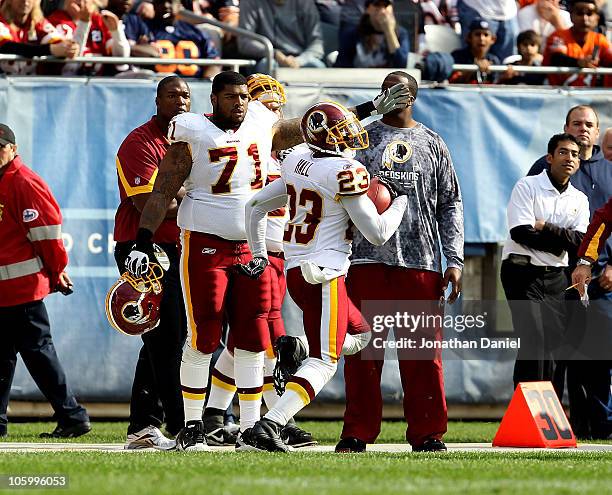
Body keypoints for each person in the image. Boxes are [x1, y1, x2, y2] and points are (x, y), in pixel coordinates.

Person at [123, 70, 411, 451]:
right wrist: (142, 241)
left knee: (253, 338)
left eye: (244, 96)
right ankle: (192, 426)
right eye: (231, 97)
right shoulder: (191, 133)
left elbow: (311, 128)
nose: (240, 102)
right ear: (213, 100)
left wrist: (369, 109)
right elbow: (161, 192)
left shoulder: (261, 121)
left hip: (251, 246)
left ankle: (250, 428)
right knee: (204, 334)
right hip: (205, 242)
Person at [236, 101, 408, 452]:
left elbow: (253, 206)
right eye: (340, 131)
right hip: (327, 273)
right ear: (324, 136)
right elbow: (376, 233)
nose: (348, 136)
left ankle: (297, 348)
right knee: (326, 360)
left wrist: (258, 254)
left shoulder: (297, 159)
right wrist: (400, 205)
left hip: (298, 272)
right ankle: (269, 425)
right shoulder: (344, 170)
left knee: (359, 334)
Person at [336, 71, 463, 454]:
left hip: (421, 264)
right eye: (386, 88)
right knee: (362, 355)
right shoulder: (362, 139)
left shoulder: (433, 143)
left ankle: (428, 434)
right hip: (364, 262)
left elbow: (450, 203)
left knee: (423, 356)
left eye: (401, 88)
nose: (393, 93)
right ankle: (357, 431)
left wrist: (453, 259)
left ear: (415, 96)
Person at [201, 73, 315, 448]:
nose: (269, 111)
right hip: (257, 252)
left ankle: (218, 414)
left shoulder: (292, 153)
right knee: (266, 342)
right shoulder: (239, 147)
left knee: (248, 342)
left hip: (283, 253)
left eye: (275, 105)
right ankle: (272, 421)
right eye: (261, 104)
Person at [112, 76, 190, 450]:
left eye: (186, 94)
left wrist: (183, 194)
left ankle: (145, 423)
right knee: (165, 337)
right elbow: (149, 206)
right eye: (172, 94)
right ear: (157, 99)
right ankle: (178, 423)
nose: (180, 100)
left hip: (180, 246)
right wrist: (197, 196)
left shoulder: (192, 138)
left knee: (166, 338)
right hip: (143, 248)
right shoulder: (139, 142)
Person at [0, 124, 90, 439]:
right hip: (6, 291)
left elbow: (48, 235)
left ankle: (73, 415)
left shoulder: (23, 182)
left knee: (38, 353)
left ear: (12, 148)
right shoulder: (5, 181)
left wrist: (56, 271)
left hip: (22, 290)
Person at [527, 105, 612, 439]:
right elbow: (528, 222)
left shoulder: (609, 169)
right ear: (565, 127)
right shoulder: (544, 168)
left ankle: (599, 426)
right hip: (557, 277)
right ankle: (556, 425)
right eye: (576, 124)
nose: (583, 129)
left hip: (602, 280)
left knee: (597, 356)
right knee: (556, 355)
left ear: (597, 129)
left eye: (589, 124)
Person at [501, 133, 590, 392]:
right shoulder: (527, 186)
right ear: (550, 158)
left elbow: (581, 242)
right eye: (563, 152)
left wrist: (546, 227)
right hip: (520, 271)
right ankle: (527, 408)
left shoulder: (579, 199)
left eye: (575, 154)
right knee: (534, 339)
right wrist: (560, 242)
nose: (569, 158)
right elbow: (520, 232)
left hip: (556, 277)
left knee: (551, 344)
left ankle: (544, 411)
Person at [238, 0, 326, 72]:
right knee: (267, 66)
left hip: (300, 58)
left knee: (318, 67)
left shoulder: (306, 3)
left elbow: (317, 44)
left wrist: (299, 60)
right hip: (266, 57)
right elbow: (245, 42)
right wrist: (274, 53)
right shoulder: (249, 2)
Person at [47, 0, 130, 75]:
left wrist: (116, 33)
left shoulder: (100, 20)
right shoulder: (56, 20)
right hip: (66, 84)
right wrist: (84, 23)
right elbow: (70, 63)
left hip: (97, 84)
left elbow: (121, 60)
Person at [543, 0, 611, 87]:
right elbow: (556, 58)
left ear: (597, 18)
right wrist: (578, 62)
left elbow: (610, 59)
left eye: (589, 14)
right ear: (571, 16)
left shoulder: (600, 40)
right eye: (579, 13)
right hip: (558, 94)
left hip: (590, 96)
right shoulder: (558, 35)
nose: (584, 18)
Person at [146, 0, 220, 78]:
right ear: (154, 5)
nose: (166, 5)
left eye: (170, 1)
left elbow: (213, 61)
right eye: (160, 2)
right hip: (155, 84)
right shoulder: (143, 29)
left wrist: (206, 83)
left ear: (179, 5)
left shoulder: (195, 32)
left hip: (193, 83)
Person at [0, 0, 78, 74]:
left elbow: (57, 42)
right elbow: (6, 47)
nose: (25, 0)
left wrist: (68, 47)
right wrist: (50, 49)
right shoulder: (1, 20)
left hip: (31, 84)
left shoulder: (38, 22)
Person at [335, 0, 409, 68]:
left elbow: (401, 65)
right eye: (377, 5)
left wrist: (389, 31)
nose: (382, 11)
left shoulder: (401, 33)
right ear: (367, 9)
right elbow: (341, 65)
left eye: (385, 6)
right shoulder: (353, 34)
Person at [450, 18, 500, 83]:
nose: (482, 38)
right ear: (469, 38)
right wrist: (474, 68)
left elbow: (494, 86)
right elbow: (452, 82)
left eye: (486, 35)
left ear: (493, 40)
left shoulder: (494, 60)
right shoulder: (457, 56)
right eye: (477, 34)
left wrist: (507, 76)